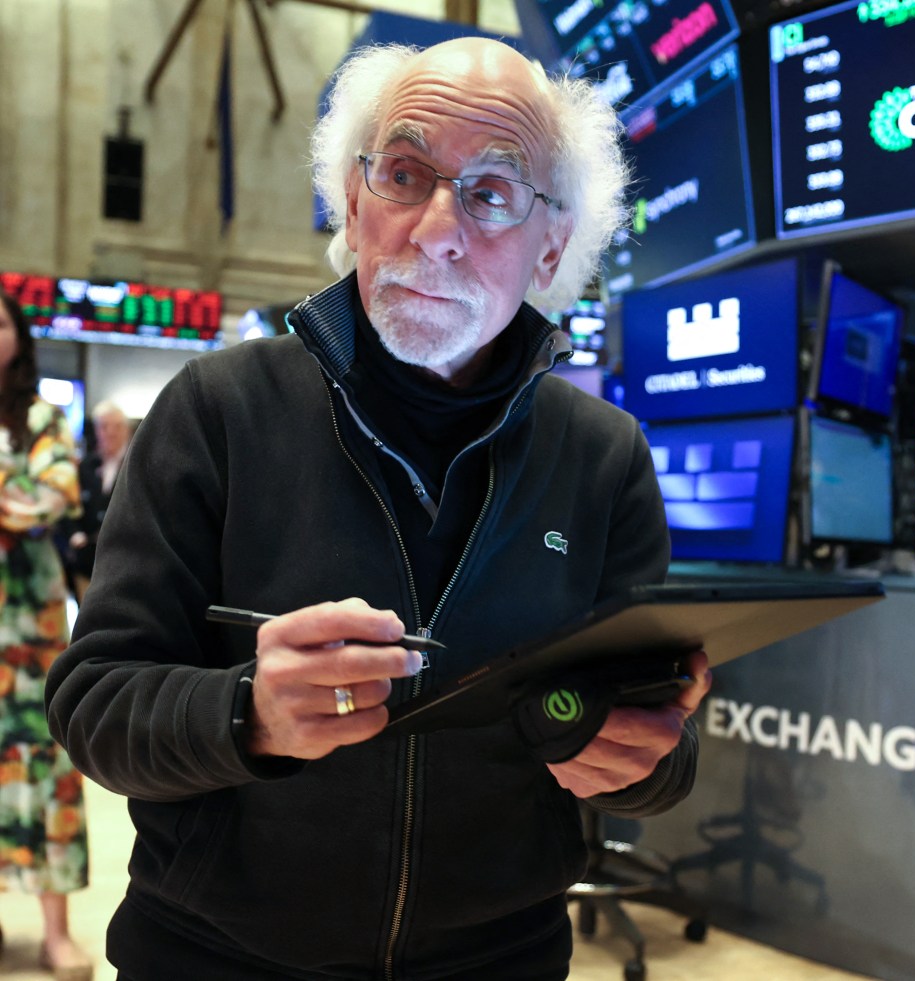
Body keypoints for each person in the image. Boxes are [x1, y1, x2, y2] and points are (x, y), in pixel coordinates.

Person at [45, 38, 711, 980]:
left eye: (491, 192)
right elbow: (93, 702)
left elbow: (667, 747)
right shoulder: (217, 410)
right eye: (405, 173)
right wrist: (248, 713)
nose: (438, 226)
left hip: (500, 960)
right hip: (213, 955)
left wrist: (641, 756)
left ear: (552, 247)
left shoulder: (604, 458)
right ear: (354, 204)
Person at [0, 292, 93, 981]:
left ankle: (56, 929)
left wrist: (18, 496)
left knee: (46, 764)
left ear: (19, 336)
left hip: (30, 630)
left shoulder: (42, 417)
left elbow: (47, 496)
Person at [59, 400, 131, 603]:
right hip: (86, 560)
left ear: (126, 430)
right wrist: (74, 535)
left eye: (116, 426)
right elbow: (67, 505)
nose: (110, 432)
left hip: (120, 562)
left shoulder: (135, 468)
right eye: (104, 426)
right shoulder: (85, 466)